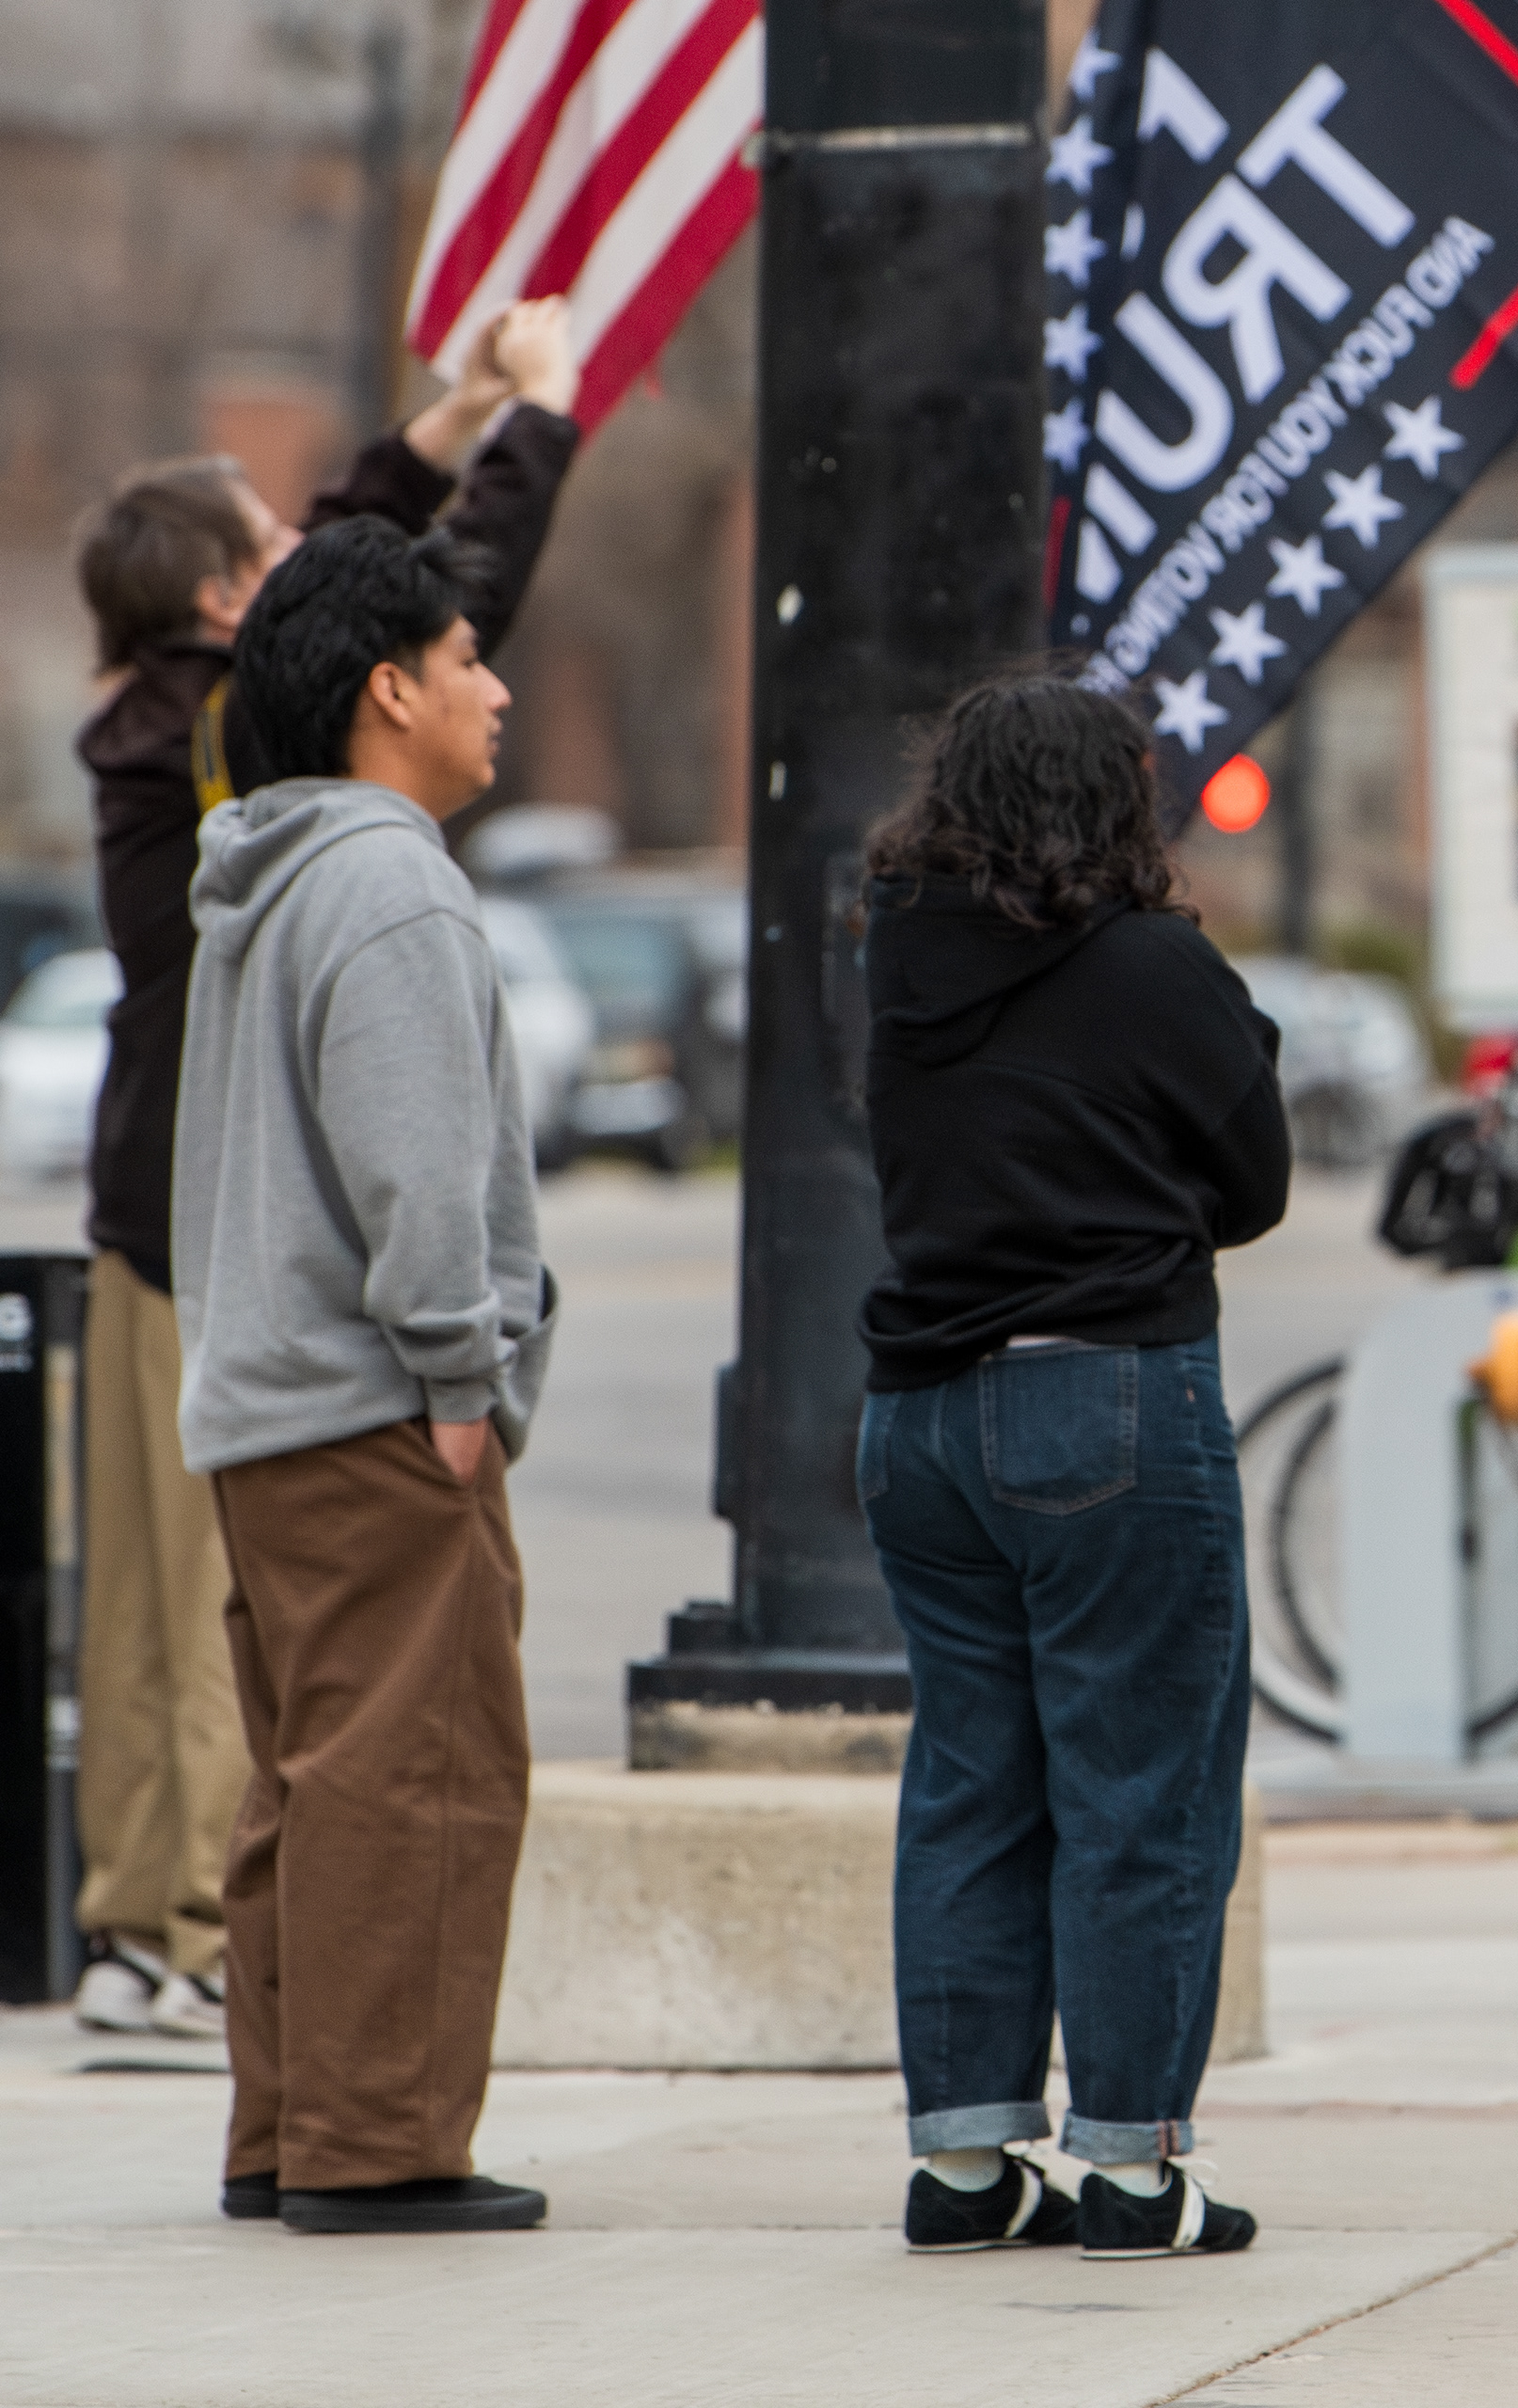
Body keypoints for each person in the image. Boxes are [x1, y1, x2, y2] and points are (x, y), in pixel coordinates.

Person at [62, 300, 579, 2045]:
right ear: (228, 608)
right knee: (323, 1712)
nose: (299, 555)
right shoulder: (262, 776)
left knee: (186, 1624)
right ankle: (188, 1946)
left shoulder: (186, 737)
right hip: (247, 1266)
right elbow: (405, 619)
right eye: (266, 548)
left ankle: (163, 1941)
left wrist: (461, 417)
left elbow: (365, 582)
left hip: (191, 1228)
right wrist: (534, 434)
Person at [856, 673, 1291, 2259]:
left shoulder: (901, 954)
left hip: (919, 1420)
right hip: (1105, 1400)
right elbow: (1254, 1183)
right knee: (1144, 1795)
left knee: (972, 1782)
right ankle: (1131, 2168)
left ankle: (963, 2167)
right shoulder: (1153, 965)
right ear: (1118, 802)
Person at [176, 515, 558, 2233]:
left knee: (309, 1787)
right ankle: (383, 2148)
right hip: (380, 1419)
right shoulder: (393, 878)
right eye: (471, 658)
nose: (498, 687)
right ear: (390, 690)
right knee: (424, 1777)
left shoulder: (265, 876)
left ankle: (289, 2131)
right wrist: (460, 1385)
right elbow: (417, 1171)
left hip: (266, 1413)